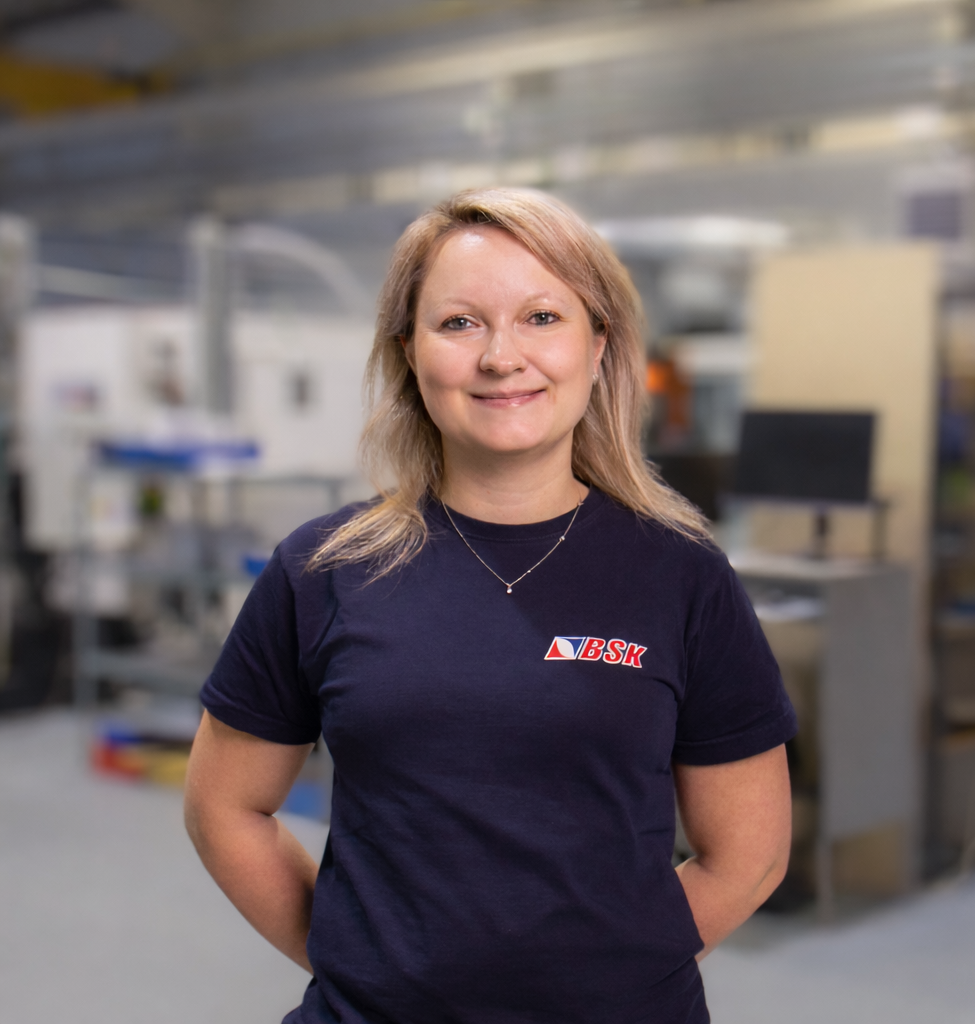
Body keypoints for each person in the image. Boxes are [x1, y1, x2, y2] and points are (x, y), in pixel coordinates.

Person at [184, 187, 797, 1024]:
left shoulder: (682, 574)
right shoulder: (321, 571)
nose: (502, 357)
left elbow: (750, 852)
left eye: (543, 317)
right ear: (409, 352)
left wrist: (617, 979)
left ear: (598, 343)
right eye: (460, 323)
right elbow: (225, 803)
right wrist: (359, 964)